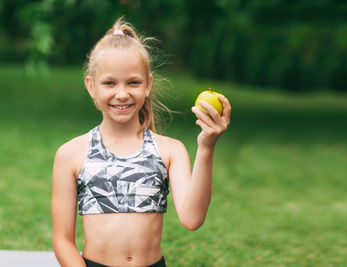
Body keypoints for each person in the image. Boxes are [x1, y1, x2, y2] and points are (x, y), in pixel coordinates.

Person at [51, 17, 231, 267]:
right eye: (110, 83)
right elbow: (62, 240)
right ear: (91, 87)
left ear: (148, 85)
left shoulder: (170, 151)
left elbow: (192, 219)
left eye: (133, 82)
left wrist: (206, 146)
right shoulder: (71, 154)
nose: (122, 93)